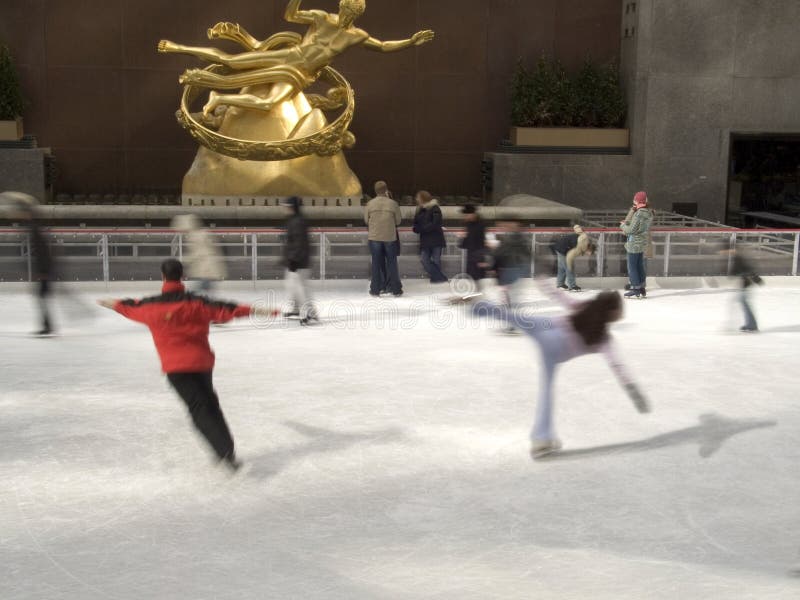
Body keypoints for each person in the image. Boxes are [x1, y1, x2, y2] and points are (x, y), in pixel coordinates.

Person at [97, 259, 278, 472]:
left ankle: (225, 452)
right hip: (202, 364)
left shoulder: (151, 306)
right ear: (182, 277)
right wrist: (262, 311)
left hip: (176, 369)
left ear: (163, 277)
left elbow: (130, 307)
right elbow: (228, 309)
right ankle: (226, 450)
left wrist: (112, 303)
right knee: (210, 404)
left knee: (199, 408)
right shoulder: (197, 303)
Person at [158, 0, 435, 117]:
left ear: (358, 14)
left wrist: (410, 41)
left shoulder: (356, 35)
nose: (349, 14)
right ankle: (177, 47)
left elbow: (384, 46)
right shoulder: (321, 17)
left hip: (300, 74)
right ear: (341, 6)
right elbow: (290, 16)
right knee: (231, 62)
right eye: (347, 8)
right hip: (290, 55)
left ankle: (218, 98)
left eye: (354, 11)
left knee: (267, 104)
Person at [472, 280, 649, 458]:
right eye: (620, 309)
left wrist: (544, 282)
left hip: (546, 325)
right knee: (546, 392)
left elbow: (562, 298)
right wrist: (633, 391)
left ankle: (481, 307)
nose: (622, 313)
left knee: (514, 317)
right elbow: (617, 366)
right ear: (611, 312)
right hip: (554, 347)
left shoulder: (586, 307)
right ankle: (541, 440)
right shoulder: (603, 339)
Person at [282, 196, 319, 323]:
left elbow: (299, 243)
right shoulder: (294, 220)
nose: (284, 208)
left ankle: (309, 312)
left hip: (299, 261)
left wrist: (294, 259)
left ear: (292, 207)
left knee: (300, 287)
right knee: (292, 285)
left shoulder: (297, 221)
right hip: (297, 259)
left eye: (286, 206)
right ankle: (297, 308)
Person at [364, 181, 402, 296]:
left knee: (375, 263)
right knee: (392, 263)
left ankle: (375, 290)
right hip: (390, 237)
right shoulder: (393, 204)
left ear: (375, 191)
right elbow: (398, 221)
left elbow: (366, 220)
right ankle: (396, 289)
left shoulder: (370, 204)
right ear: (386, 190)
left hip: (375, 237)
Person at [171, 214, 227, 293]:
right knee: (203, 294)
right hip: (207, 271)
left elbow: (198, 253)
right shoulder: (201, 233)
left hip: (206, 271)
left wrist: (183, 261)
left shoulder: (195, 236)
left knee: (197, 294)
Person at [491, 218, 531, 311]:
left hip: (510, 269)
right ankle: (509, 308)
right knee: (510, 292)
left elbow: (498, 254)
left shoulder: (513, 238)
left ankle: (509, 310)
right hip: (511, 269)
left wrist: (493, 267)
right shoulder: (514, 238)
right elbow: (526, 253)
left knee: (510, 292)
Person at [620, 191, 654, 298]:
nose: (633, 201)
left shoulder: (639, 213)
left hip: (634, 243)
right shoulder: (648, 212)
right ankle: (642, 287)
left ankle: (636, 288)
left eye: (634, 200)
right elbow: (639, 226)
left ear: (637, 201)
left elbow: (631, 230)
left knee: (632, 267)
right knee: (639, 265)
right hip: (641, 242)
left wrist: (622, 226)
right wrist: (628, 223)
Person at [723, 245, 764, 332]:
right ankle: (750, 324)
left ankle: (752, 325)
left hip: (746, 284)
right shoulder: (736, 258)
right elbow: (734, 272)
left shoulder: (738, 258)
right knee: (744, 304)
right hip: (744, 284)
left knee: (744, 304)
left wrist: (756, 279)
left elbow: (747, 270)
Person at [412, 190, 448, 284]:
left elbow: (435, 223)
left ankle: (436, 279)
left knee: (436, 260)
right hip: (425, 240)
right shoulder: (419, 209)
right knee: (424, 260)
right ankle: (440, 277)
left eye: (418, 197)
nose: (416, 199)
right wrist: (416, 228)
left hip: (436, 239)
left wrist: (422, 229)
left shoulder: (435, 208)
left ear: (423, 198)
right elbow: (415, 223)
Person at [550, 224, 595, 292]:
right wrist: (570, 266)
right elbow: (569, 257)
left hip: (560, 247)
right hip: (562, 249)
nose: (588, 255)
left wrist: (577, 227)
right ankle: (572, 286)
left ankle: (560, 284)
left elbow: (581, 232)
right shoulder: (579, 248)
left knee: (562, 267)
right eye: (589, 253)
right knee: (569, 268)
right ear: (589, 249)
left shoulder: (585, 239)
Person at [457, 204, 487, 290]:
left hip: (478, 253)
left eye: (466, 215)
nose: (465, 217)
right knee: (472, 274)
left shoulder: (481, 224)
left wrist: (482, 258)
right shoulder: (468, 224)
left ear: (472, 214)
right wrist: (462, 238)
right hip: (471, 253)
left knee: (477, 274)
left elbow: (483, 241)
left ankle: (478, 292)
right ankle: (475, 292)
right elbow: (466, 241)